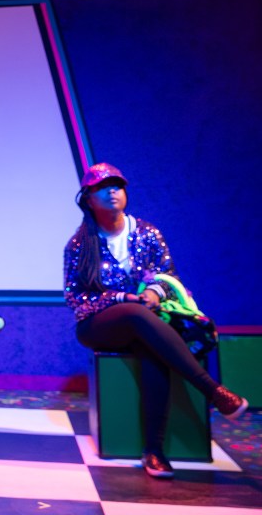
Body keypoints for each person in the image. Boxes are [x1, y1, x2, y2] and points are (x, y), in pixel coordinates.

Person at [64, 162, 247, 479]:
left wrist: (154, 292)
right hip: (98, 325)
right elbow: (75, 298)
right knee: (135, 313)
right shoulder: (80, 244)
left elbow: (167, 276)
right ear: (88, 199)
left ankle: (154, 451)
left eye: (117, 185)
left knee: (152, 352)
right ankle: (213, 390)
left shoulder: (147, 233)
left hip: (145, 321)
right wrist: (122, 298)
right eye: (102, 187)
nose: (112, 191)